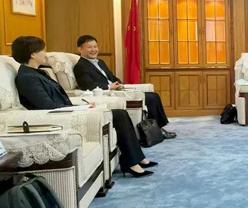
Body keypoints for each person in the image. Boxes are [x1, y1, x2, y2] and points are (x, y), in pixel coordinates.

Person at [12, 36, 156, 178]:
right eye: (42, 50)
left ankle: (135, 159)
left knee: (120, 114)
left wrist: (82, 106)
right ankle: (132, 162)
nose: (46, 54)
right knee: (119, 115)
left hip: (66, 110)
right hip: (57, 118)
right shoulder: (27, 78)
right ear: (33, 54)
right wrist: (79, 109)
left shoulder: (39, 72)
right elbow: (47, 106)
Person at [73, 35, 175, 139]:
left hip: (117, 90)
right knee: (151, 98)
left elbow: (112, 77)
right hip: (108, 94)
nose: (94, 50)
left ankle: (158, 128)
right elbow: (87, 85)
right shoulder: (80, 66)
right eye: (89, 47)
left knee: (154, 96)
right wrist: (109, 87)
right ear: (80, 49)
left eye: (95, 46)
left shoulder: (100, 62)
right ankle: (157, 130)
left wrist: (118, 83)